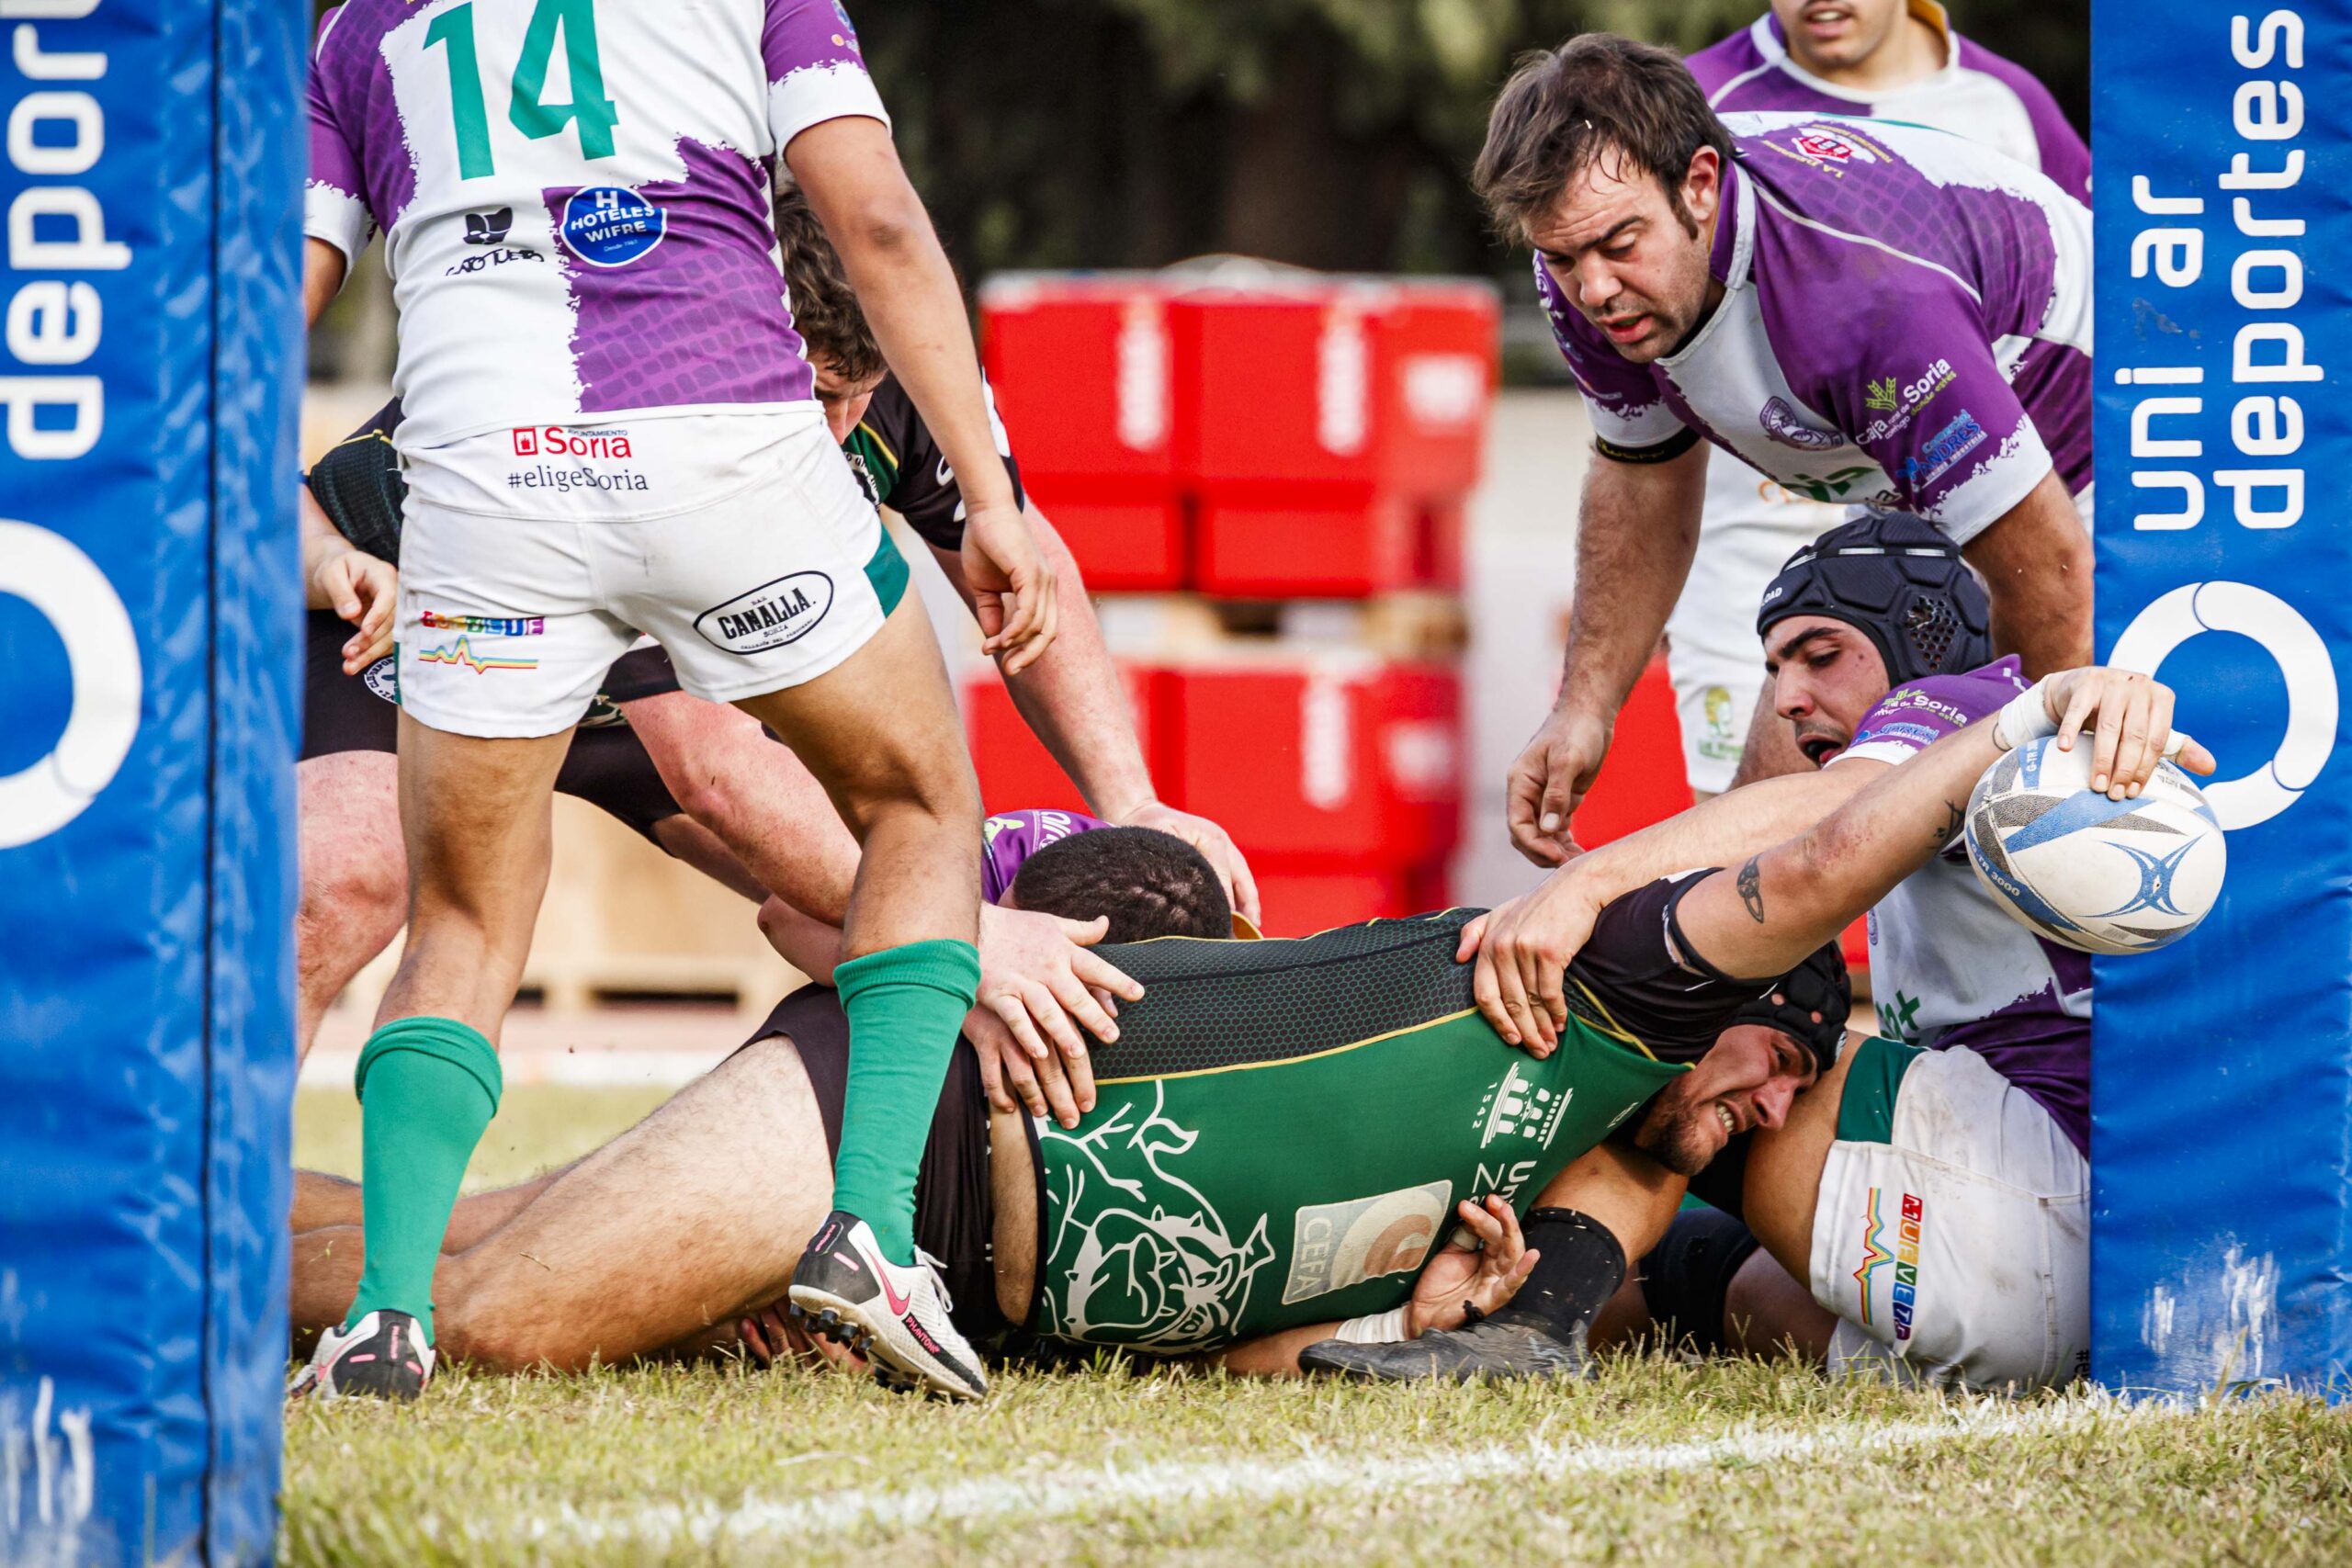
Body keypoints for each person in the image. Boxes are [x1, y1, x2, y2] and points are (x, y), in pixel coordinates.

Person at [300, 0, 1057, 1404]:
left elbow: (265, 307)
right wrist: (992, 495)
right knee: (920, 800)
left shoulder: (359, 24)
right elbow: (877, 227)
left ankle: (384, 1317)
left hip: (483, 486)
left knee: (465, 911)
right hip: (725, 451)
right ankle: (875, 1236)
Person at [291, 191, 1255, 1110]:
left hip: (638, 669)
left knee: (881, 899)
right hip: (402, 616)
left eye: (862, 399)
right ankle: (214, 1215)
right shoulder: (640, 396)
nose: (840, 433)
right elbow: (710, 767)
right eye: (820, 395)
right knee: (344, 879)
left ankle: (885, 1208)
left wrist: (1133, 801)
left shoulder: (901, 377)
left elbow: (1021, 581)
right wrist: (973, 941)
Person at [286, 822, 1849, 1381]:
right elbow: (1814, 853)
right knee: (489, 1309)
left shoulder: (1522, 1217)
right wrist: (2011, 713)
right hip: (911, 1116)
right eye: (1771, 1060)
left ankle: (140, 1214)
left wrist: (1420, 1329)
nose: (1762, 1106)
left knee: (474, 1233)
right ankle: (117, 1257)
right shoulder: (1551, 1000)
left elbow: (1255, 1349)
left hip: (956, 1257)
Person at [1350, 527, 2176, 1390]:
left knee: (1680, 1023)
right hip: (2065, 1293)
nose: (1787, 696)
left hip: (2042, 1194)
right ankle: (1444, 1318)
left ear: (1921, 634)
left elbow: (1822, 823)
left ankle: (1520, 1322)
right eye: (1775, 670)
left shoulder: (1966, 700)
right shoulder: (1994, 766)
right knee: (1700, 1275)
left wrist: (1587, 882)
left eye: (1819, 655)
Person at [1484, 34, 2095, 866]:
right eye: (1562, 257)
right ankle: (1757, 980)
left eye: (1619, 246)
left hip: (2095, 465)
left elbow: (2051, 570)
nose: (1592, 289)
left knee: (2005, 801)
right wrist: (1583, 706)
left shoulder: (1859, 305)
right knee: (1812, 678)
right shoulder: (1592, 269)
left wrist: (2037, 805)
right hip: (1909, 469)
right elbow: (1641, 478)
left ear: (1699, 184)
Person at [1664, 0, 2090, 795]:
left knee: (1970, 831)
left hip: (1970, 522)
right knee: (1738, 846)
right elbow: (1645, 420)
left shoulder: (2007, 107)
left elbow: (2095, 308)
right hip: (1760, 537)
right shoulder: (1691, 106)